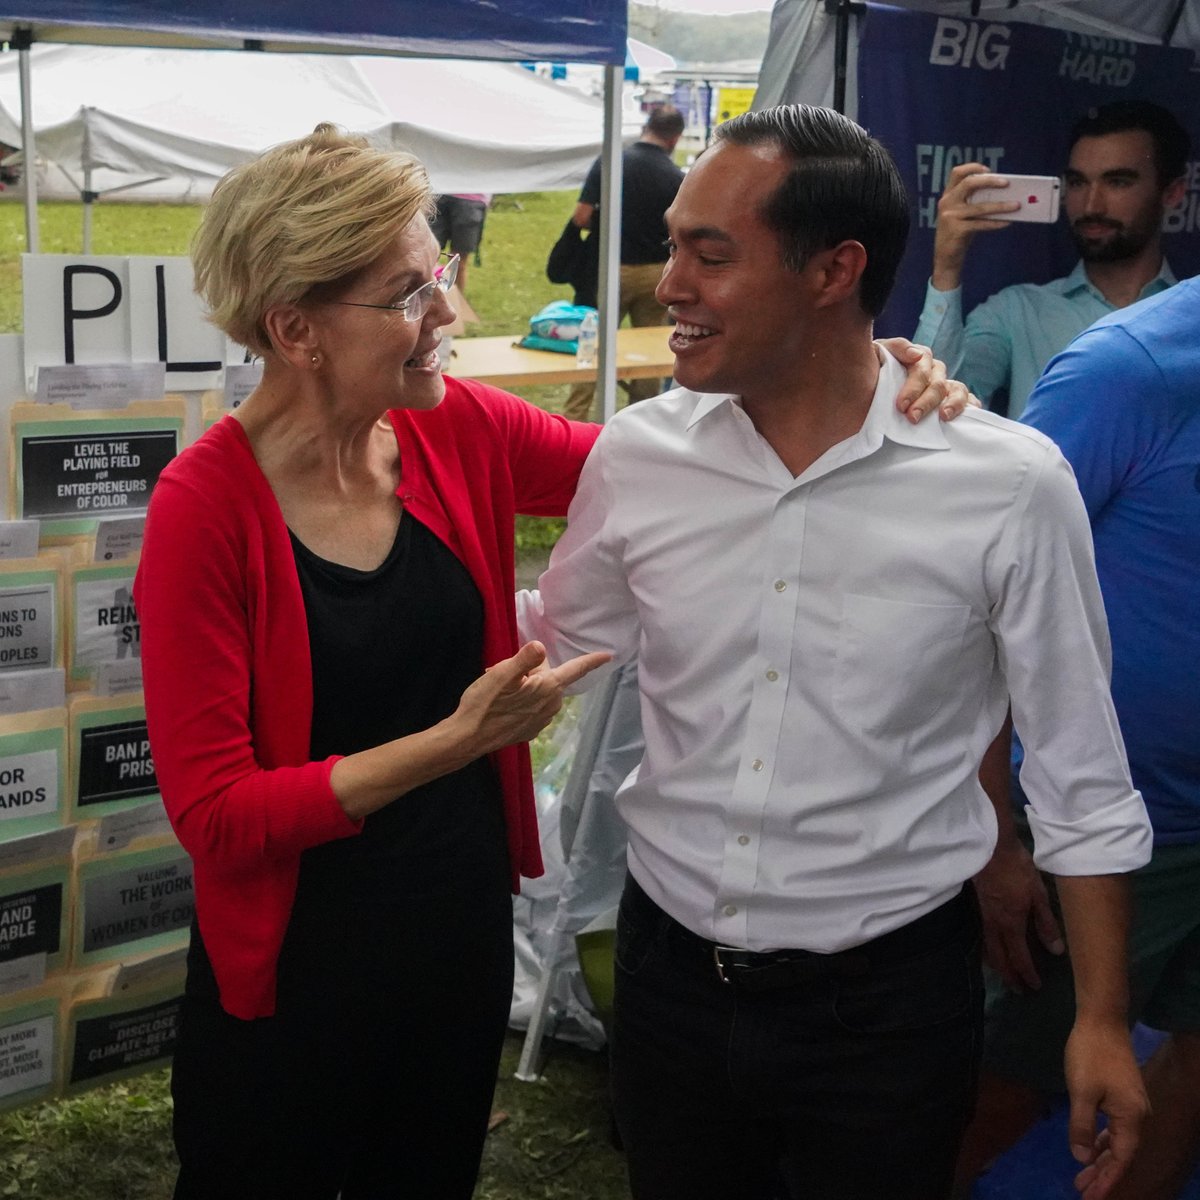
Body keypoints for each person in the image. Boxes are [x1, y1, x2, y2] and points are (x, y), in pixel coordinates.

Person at [519, 104, 1154, 1200]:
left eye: (708, 255)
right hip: (669, 981)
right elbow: (557, 645)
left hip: (889, 1007)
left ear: (834, 270)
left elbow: (1082, 771)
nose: (666, 283)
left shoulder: (1007, 484)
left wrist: (1099, 1020)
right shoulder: (640, 456)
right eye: (673, 243)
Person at [133, 126, 610, 1200]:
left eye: (437, 273)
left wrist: (860, 372)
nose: (452, 313)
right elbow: (215, 813)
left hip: (455, 939)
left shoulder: (456, 432)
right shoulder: (205, 512)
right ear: (294, 327)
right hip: (296, 972)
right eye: (409, 293)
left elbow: (657, 469)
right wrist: (456, 743)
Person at [957, 276, 1200, 1200]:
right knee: (998, 1091)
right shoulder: (1130, 370)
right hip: (1104, 838)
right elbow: (982, 598)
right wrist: (995, 835)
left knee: (1187, 1078)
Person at [913, 99, 1189, 418]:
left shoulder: (1189, 315)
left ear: (1172, 193)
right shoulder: (1018, 311)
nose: (1091, 205)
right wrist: (947, 266)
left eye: (1118, 182)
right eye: (1077, 182)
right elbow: (932, 403)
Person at [562, 105, 685, 421]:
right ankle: (642, 421)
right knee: (649, 353)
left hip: (609, 271)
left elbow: (582, 216)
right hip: (656, 275)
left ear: (646, 127)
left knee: (593, 346)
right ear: (675, 139)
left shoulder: (611, 162)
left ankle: (575, 416)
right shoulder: (676, 177)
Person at [430, 192, 490, 293]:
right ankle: (427, 299)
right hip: (437, 192)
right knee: (428, 255)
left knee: (458, 262)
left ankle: (456, 302)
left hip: (472, 198)